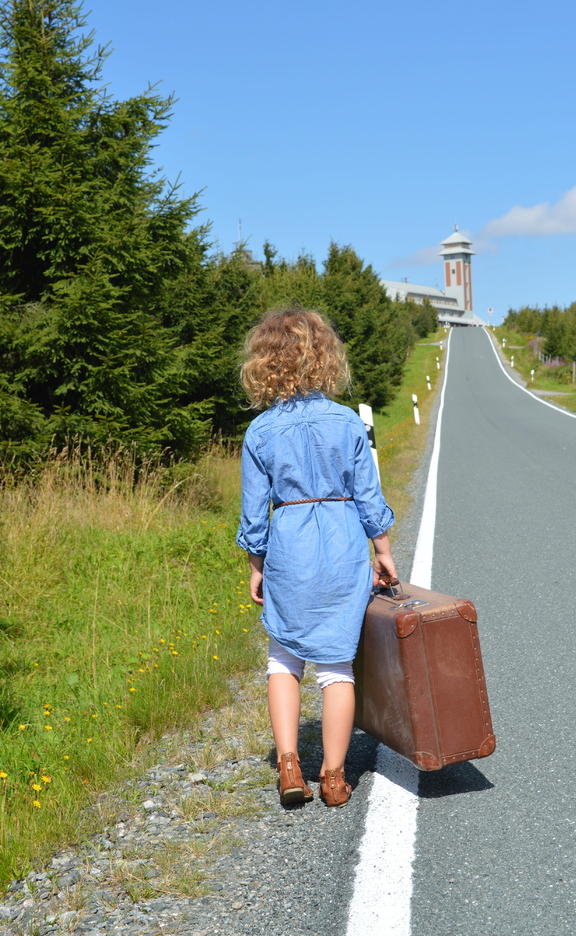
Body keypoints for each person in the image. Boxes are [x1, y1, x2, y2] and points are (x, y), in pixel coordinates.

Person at [236, 308, 397, 807]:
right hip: (342, 546)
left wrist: (256, 567)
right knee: (336, 667)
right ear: (324, 358)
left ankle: (288, 766)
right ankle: (332, 776)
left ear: (264, 363)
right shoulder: (347, 422)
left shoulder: (259, 432)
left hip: (290, 548)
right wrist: (384, 550)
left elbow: (254, 516)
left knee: (283, 657)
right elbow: (369, 496)